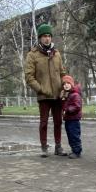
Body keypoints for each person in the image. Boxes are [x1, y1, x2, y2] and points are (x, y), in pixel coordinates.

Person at [25, 23, 67, 157]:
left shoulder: (57, 54)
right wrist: (41, 89)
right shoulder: (33, 55)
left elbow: (62, 73)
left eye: (49, 36)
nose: (47, 39)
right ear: (40, 38)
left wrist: (65, 85)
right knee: (44, 122)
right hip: (44, 96)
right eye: (44, 36)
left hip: (57, 94)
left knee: (58, 122)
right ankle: (44, 147)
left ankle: (58, 146)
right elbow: (29, 77)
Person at [60, 74, 82, 159]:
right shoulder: (66, 94)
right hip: (68, 119)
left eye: (68, 83)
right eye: (64, 84)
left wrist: (68, 109)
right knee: (70, 135)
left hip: (74, 119)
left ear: (71, 84)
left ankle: (77, 151)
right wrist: (62, 98)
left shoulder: (75, 95)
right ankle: (74, 150)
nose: (66, 85)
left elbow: (77, 106)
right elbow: (63, 104)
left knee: (74, 135)